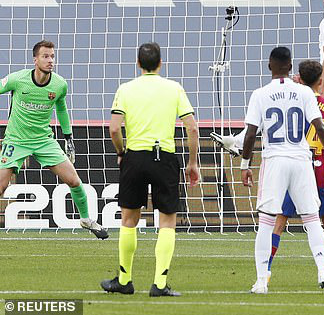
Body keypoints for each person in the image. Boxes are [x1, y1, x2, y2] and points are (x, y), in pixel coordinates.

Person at [211, 0, 324, 155]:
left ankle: (243, 142)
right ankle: (240, 141)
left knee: (287, 102)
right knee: (289, 104)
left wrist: (321, 92)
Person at [241, 47, 324, 295]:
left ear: (269, 66)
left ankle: (262, 280)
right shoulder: (303, 93)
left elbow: (251, 133)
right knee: (312, 218)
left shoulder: (260, 94)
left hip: (275, 159)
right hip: (301, 160)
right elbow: (319, 127)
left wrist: (245, 164)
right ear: (290, 68)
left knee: (267, 221)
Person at [100, 42, 200, 297]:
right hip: (163, 157)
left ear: (138, 63)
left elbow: (113, 128)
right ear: (160, 63)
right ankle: (159, 284)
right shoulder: (174, 88)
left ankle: (124, 280)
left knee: (128, 220)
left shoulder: (126, 89)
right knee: (167, 222)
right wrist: (192, 162)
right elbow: (192, 128)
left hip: (134, 157)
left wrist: (121, 153)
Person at [0, 40, 107, 239]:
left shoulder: (59, 84)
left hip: (44, 141)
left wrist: (68, 138)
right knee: (1, 186)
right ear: (35, 59)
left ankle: (85, 219)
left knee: (74, 180)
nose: (50, 61)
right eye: (45, 56)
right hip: (16, 140)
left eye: (52, 56)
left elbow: (62, 109)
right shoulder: (17, 79)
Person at [267, 60, 324, 286]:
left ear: (299, 79)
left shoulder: (290, 105)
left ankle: (266, 271)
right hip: (321, 168)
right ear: (321, 80)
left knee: (279, 221)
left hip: (293, 165)